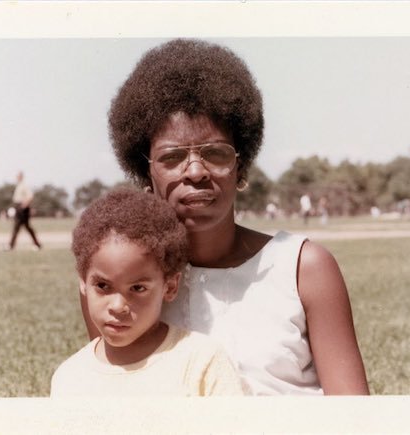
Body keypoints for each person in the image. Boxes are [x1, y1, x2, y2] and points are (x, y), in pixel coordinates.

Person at [82, 38, 369, 395]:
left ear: (240, 163)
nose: (196, 171)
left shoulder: (303, 268)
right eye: (172, 157)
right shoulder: (119, 282)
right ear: (146, 173)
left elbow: (356, 416)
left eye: (215, 153)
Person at [51, 188, 245, 396]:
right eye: (102, 286)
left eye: (137, 288)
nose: (118, 306)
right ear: (83, 282)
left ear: (169, 287)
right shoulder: (70, 378)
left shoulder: (201, 362)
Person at [6, 171, 42, 251]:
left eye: (18, 176)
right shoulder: (18, 186)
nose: (17, 178)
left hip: (22, 209)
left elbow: (30, 196)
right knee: (24, 227)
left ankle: (11, 245)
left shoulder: (24, 186)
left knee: (18, 227)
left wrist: (23, 206)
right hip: (18, 207)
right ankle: (37, 244)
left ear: (21, 177)